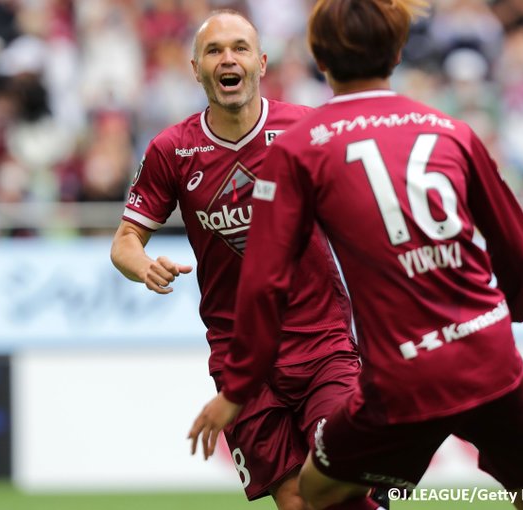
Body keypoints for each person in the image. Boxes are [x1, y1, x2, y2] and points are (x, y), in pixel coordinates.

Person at [188, 1, 523, 510]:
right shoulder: (451, 129)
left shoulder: (299, 148)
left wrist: (237, 388)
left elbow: (265, 282)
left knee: (315, 491)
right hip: (490, 355)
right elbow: (512, 239)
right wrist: (512, 313)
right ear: (397, 54)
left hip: (402, 371)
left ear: (320, 60)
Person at [110, 10, 373, 510]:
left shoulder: (307, 130)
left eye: (239, 48)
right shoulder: (172, 150)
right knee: (294, 501)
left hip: (322, 341)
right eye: (214, 51)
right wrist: (144, 266)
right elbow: (124, 240)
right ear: (196, 69)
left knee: (340, 482)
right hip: (240, 358)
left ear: (261, 63)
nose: (227, 59)